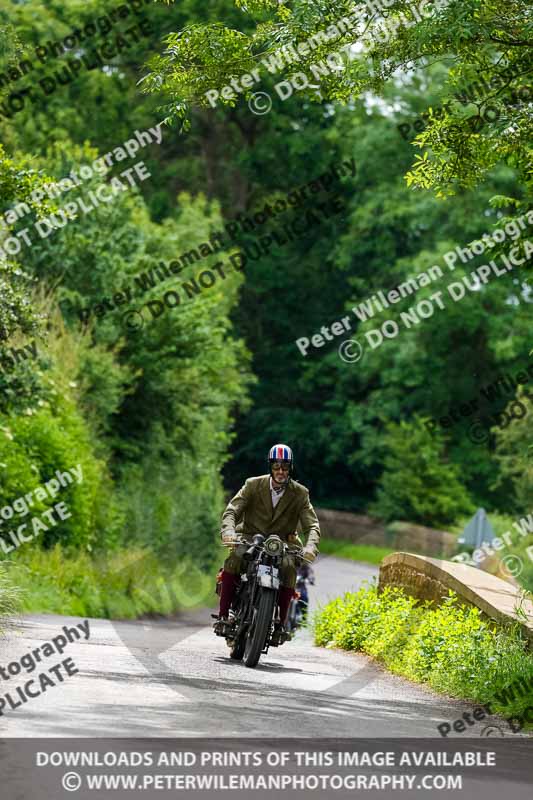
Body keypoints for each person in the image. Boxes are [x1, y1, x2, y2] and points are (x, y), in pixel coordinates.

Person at [214, 444, 320, 637]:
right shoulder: (253, 485)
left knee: (289, 568)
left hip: (283, 544)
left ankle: (280, 622)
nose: (281, 471)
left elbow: (311, 526)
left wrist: (310, 546)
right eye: (276, 466)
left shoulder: (300, 493)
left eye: (285, 466)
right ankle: (224, 615)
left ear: (291, 467)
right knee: (235, 560)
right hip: (249, 538)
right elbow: (232, 510)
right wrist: (229, 531)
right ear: (270, 466)